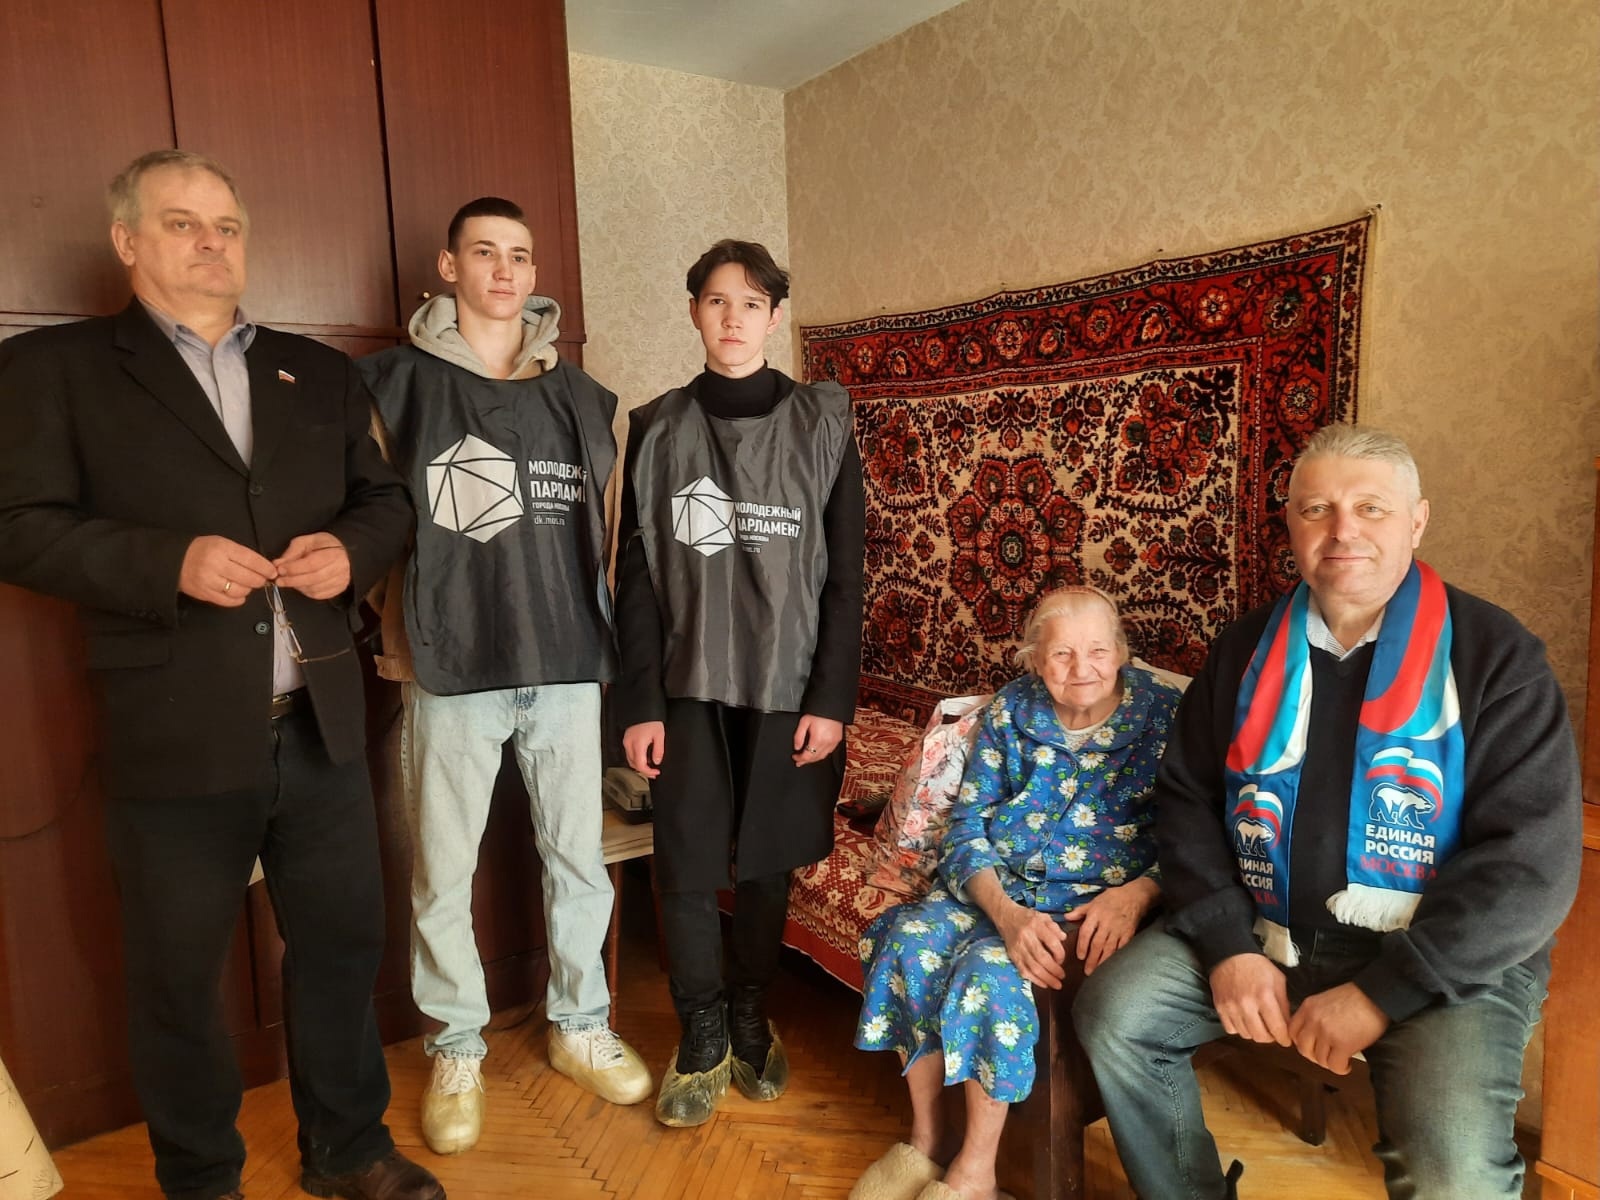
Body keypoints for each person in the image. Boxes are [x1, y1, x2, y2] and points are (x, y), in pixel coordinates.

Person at [0, 150, 440, 1200]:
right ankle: (200, 1179)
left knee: (341, 948)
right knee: (177, 979)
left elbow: (384, 501)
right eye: (183, 222)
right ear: (127, 241)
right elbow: (15, 526)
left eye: (227, 225)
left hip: (321, 722)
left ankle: (349, 1150)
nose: (212, 243)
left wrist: (351, 553)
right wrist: (167, 562)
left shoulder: (316, 371)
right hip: (174, 729)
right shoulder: (52, 368)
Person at [1073, 425, 1584, 1200]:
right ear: (1291, 527)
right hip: (1266, 930)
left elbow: (1531, 867)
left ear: (1417, 522)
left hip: (1440, 959)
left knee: (1453, 1168)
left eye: (1371, 507)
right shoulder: (1243, 650)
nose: (1343, 530)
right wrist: (1226, 944)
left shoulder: (1497, 657)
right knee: (1116, 1016)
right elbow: (1186, 799)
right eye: (1317, 509)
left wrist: (1384, 992)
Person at [357, 197, 650, 1155]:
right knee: (444, 871)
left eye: (519, 255)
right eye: (483, 252)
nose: (504, 270)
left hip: (563, 663)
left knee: (578, 860)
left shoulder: (584, 399)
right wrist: (404, 628)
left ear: (534, 273)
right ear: (449, 267)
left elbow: (608, 537)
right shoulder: (393, 388)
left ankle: (580, 1024)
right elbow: (367, 527)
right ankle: (455, 1045)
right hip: (450, 666)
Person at [615, 239, 866, 1127]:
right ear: (694, 311)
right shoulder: (657, 428)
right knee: (684, 862)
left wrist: (830, 701)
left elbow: (846, 575)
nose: (733, 318)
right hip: (686, 681)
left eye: (751, 303)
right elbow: (635, 576)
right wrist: (639, 704)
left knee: (766, 858)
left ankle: (752, 1014)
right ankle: (702, 1030)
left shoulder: (823, 422)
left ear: (774, 317)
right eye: (717, 301)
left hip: (786, 683)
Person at [849, 587, 1178, 1200]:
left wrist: (1140, 892)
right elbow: (967, 825)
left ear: (1121, 651)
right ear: (1034, 659)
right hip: (996, 891)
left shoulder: (1164, 716)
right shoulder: (1012, 708)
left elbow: (1197, 834)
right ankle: (928, 1140)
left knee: (987, 973)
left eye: (1098, 651)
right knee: (903, 940)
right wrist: (1004, 912)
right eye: (1061, 654)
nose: (1082, 669)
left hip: (1085, 906)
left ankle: (976, 1172)